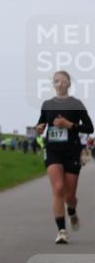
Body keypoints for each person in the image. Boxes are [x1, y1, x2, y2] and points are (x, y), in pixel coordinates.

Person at [35, 71, 93, 244]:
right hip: (53, 150)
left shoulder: (76, 104)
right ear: (53, 84)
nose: (59, 84)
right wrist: (39, 128)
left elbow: (89, 128)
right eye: (56, 81)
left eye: (62, 81)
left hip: (72, 151)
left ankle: (72, 211)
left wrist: (69, 125)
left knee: (70, 196)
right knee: (58, 188)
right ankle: (61, 231)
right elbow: (41, 123)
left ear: (69, 83)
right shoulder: (47, 104)